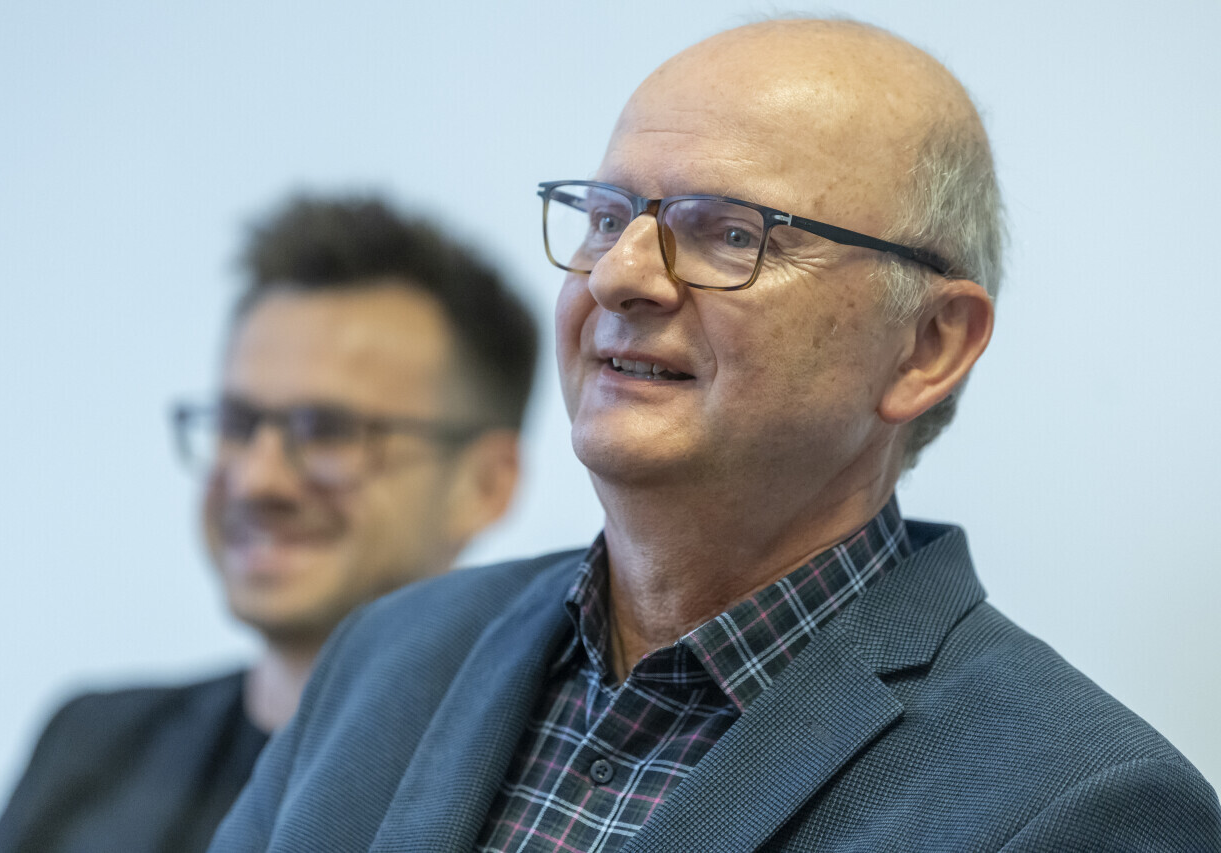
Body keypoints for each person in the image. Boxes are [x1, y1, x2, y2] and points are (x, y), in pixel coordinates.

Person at [209, 20, 1221, 852]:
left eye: (729, 232)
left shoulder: (1081, 807)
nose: (620, 275)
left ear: (927, 345)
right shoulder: (390, 654)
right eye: (607, 217)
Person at [0, 194, 538, 853]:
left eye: (329, 431)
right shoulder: (94, 743)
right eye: (238, 424)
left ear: (486, 484)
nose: (257, 479)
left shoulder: (527, 798)